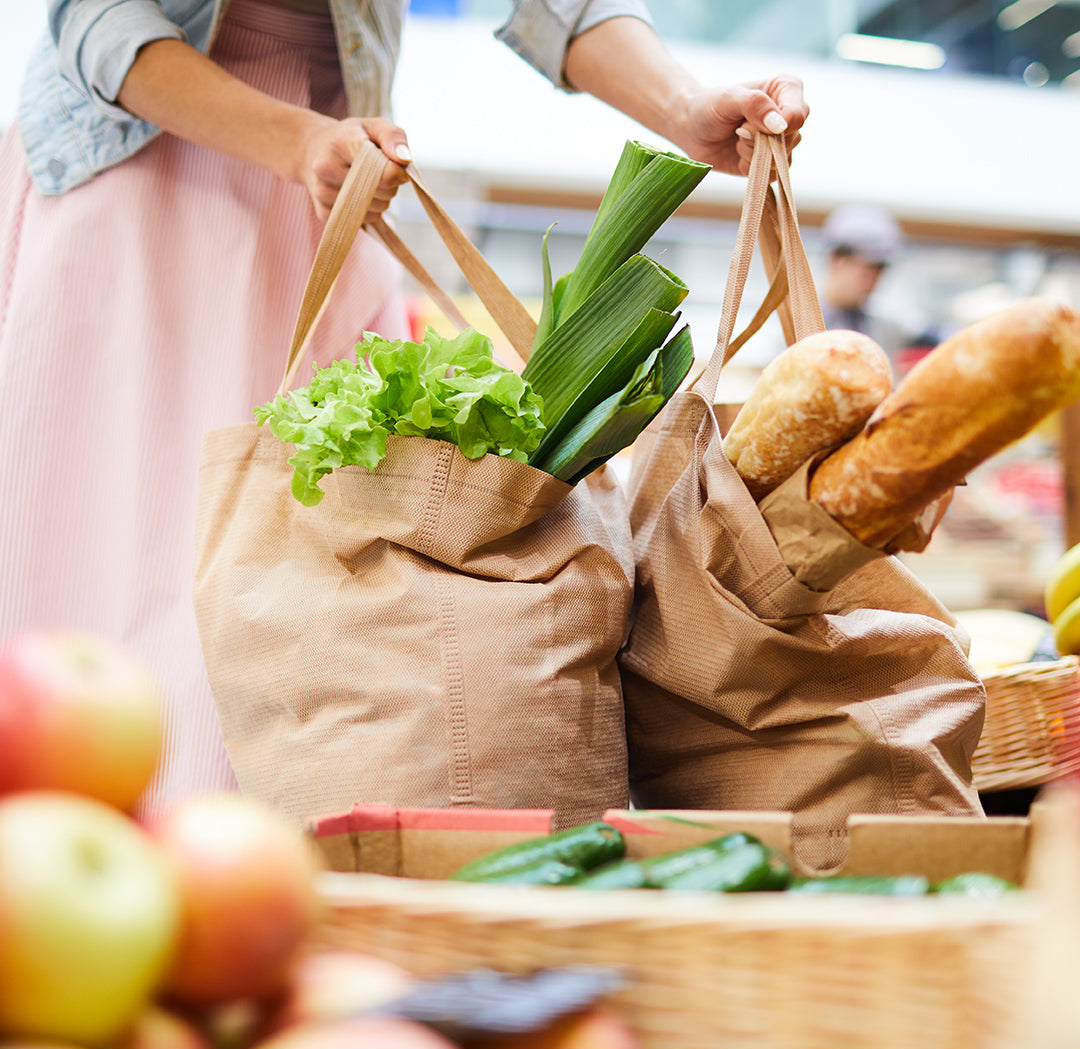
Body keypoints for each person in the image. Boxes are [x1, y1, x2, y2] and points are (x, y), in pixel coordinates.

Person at [0, 0, 809, 821]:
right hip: (149, 178)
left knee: (317, 574)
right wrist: (298, 141)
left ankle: (244, 871)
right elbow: (97, 20)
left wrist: (682, 108)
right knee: (115, 564)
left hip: (335, 176)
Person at [819, 202, 910, 369]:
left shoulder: (885, 326)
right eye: (867, 269)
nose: (873, 281)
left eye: (880, 271)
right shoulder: (798, 322)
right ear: (837, 260)